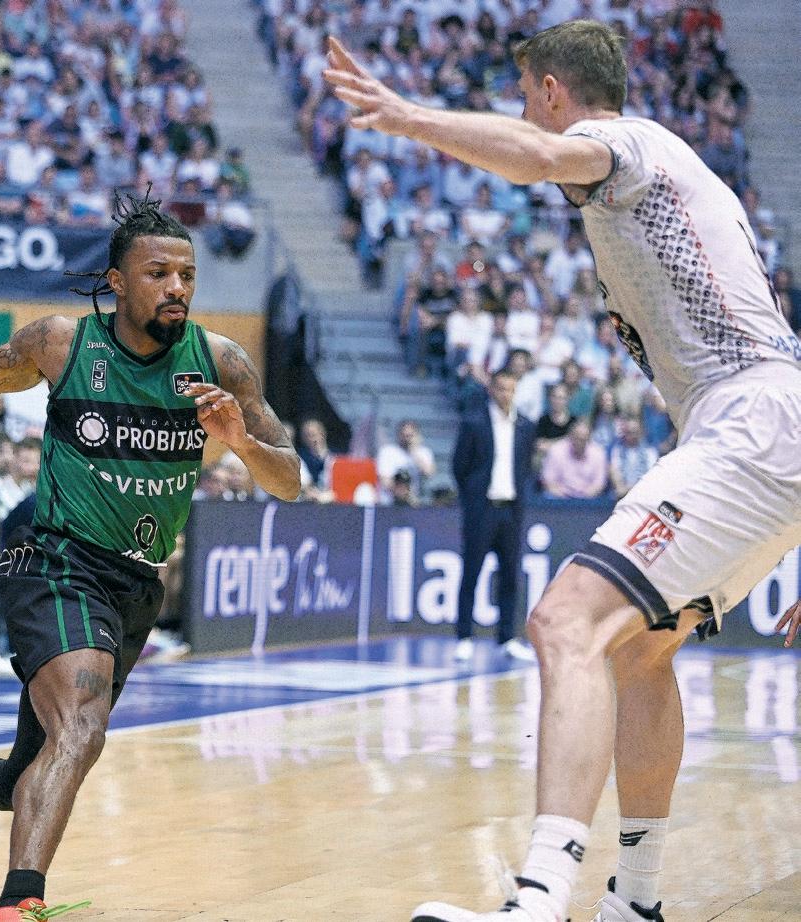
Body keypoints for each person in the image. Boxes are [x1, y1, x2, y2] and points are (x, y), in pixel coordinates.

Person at [325, 21, 801, 922]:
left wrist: (405, 116)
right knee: (639, 649)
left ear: (550, 91)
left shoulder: (627, 145)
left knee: (563, 620)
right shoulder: (674, 175)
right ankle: (637, 902)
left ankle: (540, 899)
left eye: (524, 98)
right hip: (764, 429)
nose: (523, 114)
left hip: (749, 423)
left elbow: (539, 157)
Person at [0, 191, 301, 921]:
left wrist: (241, 441)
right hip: (56, 561)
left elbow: (288, 481)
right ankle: (19, 903)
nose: (176, 288)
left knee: (25, 776)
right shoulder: (63, 345)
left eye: (187, 275)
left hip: (135, 585)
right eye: (158, 273)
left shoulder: (221, 362)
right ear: (118, 282)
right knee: (81, 727)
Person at [451, 368, 537, 664]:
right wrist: (472, 498)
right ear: (491, 389)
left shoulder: (525, 425)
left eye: (511, 389)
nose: (506, 395)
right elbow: (459, 467)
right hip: (482, 509)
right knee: (471, 573)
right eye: (501, 388)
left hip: (511, 510)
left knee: (510, 576)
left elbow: (525, 467)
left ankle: (507, 638)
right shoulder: (474, 422)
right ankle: (464, 637)